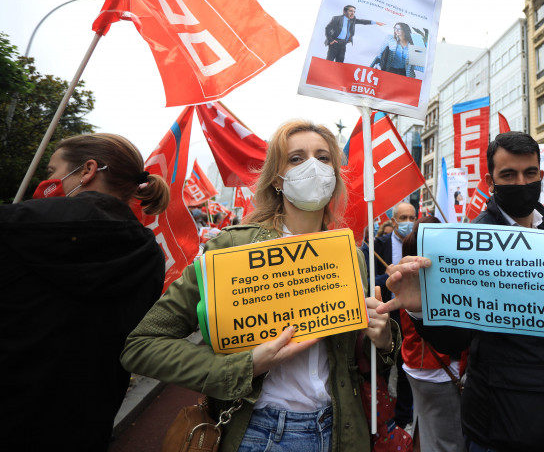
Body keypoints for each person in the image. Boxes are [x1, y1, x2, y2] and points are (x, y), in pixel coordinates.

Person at [121, 120, 400, 452]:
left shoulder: (353, 257)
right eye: (296, 158)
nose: (313, 166)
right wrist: (246, 366)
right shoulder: (230, 249)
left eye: (323, 157)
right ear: (277, 179)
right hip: (259, 432)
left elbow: (361, 360)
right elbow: (142, 346)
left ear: (336, 176)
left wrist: (382, 341)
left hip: (339, 430)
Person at [378, 131, 544, 452]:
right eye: (508, 175)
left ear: (541, 176)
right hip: (502, 424)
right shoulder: (470, 242)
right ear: (490, 181)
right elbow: (454, 341)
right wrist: (421, 309)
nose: (521, 182)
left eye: (529, 173)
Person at [0, 133, 168, 451]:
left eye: (52, 171)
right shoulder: (150, 254)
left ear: (88, 170)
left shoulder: (16, 226)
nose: (49, 179)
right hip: (88, 423)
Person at [400, 216, 467, 452]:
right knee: (448, 441)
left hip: (416, 366)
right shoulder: (442, 278)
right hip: (437, 370)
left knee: (429, 431)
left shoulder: (405, 273)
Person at [373, 201, 418, 429]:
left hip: (410, 319)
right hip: (385, 318)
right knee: (382, 370)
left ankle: (402, 420)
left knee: (405, 370)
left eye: (412, 218)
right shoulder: (377, 246)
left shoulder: (419, 243)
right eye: (403, 218)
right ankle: (381, 417)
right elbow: (368, 283)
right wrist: (388, 275)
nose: (408, 223)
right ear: (393, 221)